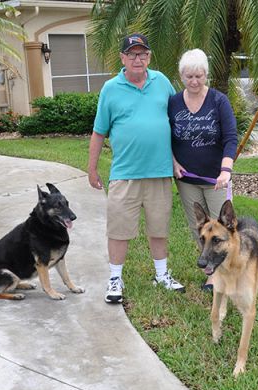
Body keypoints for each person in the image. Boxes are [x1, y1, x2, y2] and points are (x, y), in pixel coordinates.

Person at [88, 33, 185, 304]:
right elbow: (99, 132)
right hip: (125, 174)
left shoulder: (162, 82)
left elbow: (177, 122)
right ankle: (115, 279)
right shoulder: (110, 88)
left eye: (142, 54)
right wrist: (92, 169)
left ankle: (161, 275)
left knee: (159, 228)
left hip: (159, 172)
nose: (137, 59)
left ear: (149, 57)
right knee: (118, 230)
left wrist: (177, 159)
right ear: (122, 58)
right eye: (132, 54)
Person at [168, 49, 238, 291]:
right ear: (181, 76)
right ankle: (211, 272)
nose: (194, 82)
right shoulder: (174, 102)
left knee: (222, 229)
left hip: (216, 179)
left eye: (199, 76)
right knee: (198, 228)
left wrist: (225, 170)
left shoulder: (219, 101)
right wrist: (173, 162)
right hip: (186, 180)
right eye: (189, 77)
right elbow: (164, 135)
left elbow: (230, 138)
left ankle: (224, 273)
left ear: (206, 75)